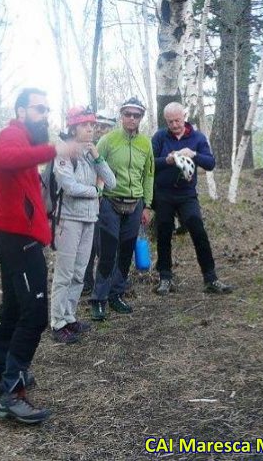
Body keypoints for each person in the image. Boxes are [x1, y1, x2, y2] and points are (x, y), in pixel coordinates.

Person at [0, 87, 81, 424]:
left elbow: (27, 190)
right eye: (38, 109)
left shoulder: (24, 140)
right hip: (18, 240)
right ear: (21, 110)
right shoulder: (10, 136)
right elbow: (4, 160)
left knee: (13, 308)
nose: (44, 115)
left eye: (46, 109)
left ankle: (1, 377)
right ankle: (11, 393)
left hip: (19, 236)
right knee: (34, 315)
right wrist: (54, 149)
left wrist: (45, 224)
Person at [152, 102, 234, 296]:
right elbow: (150, 164)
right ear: (166, 121)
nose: (174, 125)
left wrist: (194, 154)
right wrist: (168, 160)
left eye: (178, 120)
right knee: (163, 232)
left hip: (187, 193)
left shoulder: (197, 137)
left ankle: (211, 278)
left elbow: (211, 163)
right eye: (170, 121)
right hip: (163, 193)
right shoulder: (160, 137)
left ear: (184, 116)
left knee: (197, 228)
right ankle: (165, 277)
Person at [49, 106, 116, 343]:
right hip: (68, 219)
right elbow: (69, 186)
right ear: (73, 126)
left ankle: (69, 317)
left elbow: (112, 182)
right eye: (85, 124)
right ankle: (57, 322)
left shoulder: (90, 152)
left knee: (79, 273)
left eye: (92, 125)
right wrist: (96, 190)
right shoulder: (63, 151)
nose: (91, 128)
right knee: (64, 273)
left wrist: (98, 157)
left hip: (89, 219)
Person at [89, 97, 154, 321]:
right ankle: (98, 299)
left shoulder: (146, 144)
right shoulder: (108, 140)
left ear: (141, 118)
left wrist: (147, 205)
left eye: (136, 115)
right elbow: (94, 166)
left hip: (135, 204)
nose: (132, 118)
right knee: (107, 253)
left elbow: (149, 174)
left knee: (126, 253)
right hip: (109, 202)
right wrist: (96, 195)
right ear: (121, 115)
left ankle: (116, 295)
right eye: (128, 114)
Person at [82, 109, 118, 296]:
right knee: (90, 244)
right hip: (92, 200)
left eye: (107, 127)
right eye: (101, 126)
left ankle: (108, 279)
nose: (103, 130)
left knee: (108, 243)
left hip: (111, 200)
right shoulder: (88, 146)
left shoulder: (115, 145)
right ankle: (86, 280)